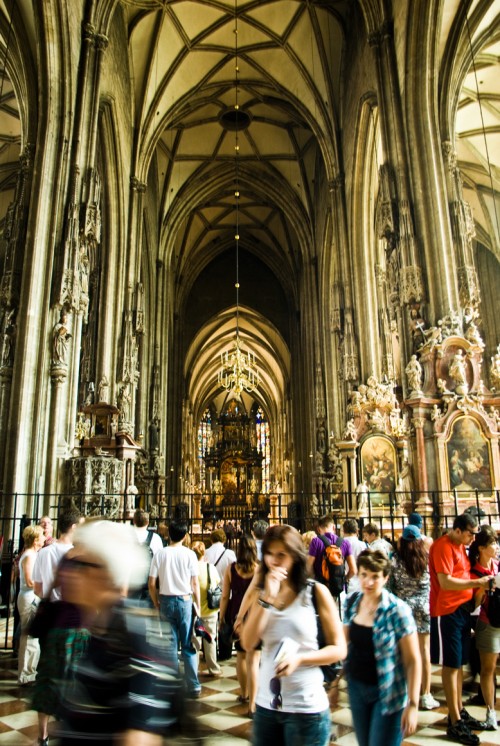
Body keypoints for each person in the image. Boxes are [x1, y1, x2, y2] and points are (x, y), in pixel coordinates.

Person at [52, 520, 186, 745]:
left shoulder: (135, 632)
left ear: (105, 573)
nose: (67, 573)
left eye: (80, 566)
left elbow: (141, 736)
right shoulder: (100, 627)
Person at [240, 524, 346, 746]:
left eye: (282, 555)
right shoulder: (263, 595)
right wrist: (266, 598)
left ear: (295, 557)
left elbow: (339, 649)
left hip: (306, 708)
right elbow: (248, 642)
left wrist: (300, 659)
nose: (274, 561)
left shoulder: (316, 592)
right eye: (269, 554)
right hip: (266, 707)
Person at [343, 549, 421, 746]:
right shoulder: (352, 604)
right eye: (364, 575)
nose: (368, 582)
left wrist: (412, 704)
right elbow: (346, 647)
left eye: (375, 577)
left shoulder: (397, 610)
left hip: (388, 692)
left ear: (386, 578)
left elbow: (412, 660)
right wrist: (335, 683)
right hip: (357, 688)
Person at [429, 513, 491, 745]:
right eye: (470, 533)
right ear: (457, 530)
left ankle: (459, 710)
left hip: (461, 611)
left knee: (458, 664)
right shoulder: (443, 547)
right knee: (451, 665)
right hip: (447, 612)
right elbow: (445, 583)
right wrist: (477, 583)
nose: (472, 538)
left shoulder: (459, 547)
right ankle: (454, 720)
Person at [31, 508, 86, 746]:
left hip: (51, 620)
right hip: (75, 621)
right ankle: (71, 729)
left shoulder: (45, 553)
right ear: (73, 528)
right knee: (75, 677)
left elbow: (39, 589)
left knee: (47, 675)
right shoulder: (81, 555)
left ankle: (43, 734)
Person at [148, 520, 202, 698]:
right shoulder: (190, 554)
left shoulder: (160, 554)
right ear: (186, 536)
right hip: (185, 601)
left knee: (170, 645)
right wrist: (198, 606)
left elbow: (151, 583)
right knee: (187, 644)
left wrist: (156, 602)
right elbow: (195, 583)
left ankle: (171, 684)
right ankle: (193, 685)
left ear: (168, 534)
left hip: (165, 601)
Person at [388, 525, 439, 710]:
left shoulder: (396, 561)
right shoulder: (427, 559)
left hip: (403, 610)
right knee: (425, 652)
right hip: (424, 609)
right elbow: (434, 583)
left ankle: (407, 691)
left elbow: (390, 587)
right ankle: (426, 694)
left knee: (404, 653)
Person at [219, 534, 260, 715]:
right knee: (254, 660)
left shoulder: (231, 569)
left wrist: (222, 617)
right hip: (254, 616)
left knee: (241, 657)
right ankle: (253, 703)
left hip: (236, 614)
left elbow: (225, 595)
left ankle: (243, 694)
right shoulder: (258, 570)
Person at [468, 526, 500, 731]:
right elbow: (474, 605)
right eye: (492, 544)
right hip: (488, 621)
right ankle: (490, 712)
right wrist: (484, 588)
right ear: (481, 548)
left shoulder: (497, 566)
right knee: (487, 670)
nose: (496, 547)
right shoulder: (474, 573)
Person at [16, 524, 44, 685]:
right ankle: (25, 674)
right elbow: (29, 581)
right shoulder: (29, 556)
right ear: (35, 540)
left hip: (32, 597)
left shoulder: (33, 554)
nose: (44, 538)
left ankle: (30, 672)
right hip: (28, 598)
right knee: (29, 637)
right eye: (41, 536)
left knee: (32, 637)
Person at [191, 540, 223, 678]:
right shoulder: (210, 568)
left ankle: (194, 669)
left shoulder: (190, 567)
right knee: (210, 640)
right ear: (204, 552)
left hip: (193, 610)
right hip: (210, 610)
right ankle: (213, 668)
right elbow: (216, 584)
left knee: (195, 642)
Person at [307, 514, 356, 595]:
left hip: (320, 588)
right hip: (339, 588)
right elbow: (353, 570)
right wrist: (343, 579)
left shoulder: (316, 541)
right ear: (334, 527)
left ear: (319, 529)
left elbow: (308, 565)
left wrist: (314, 579)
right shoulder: (345, 543)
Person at [342, 518, 367, 593]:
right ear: (357, 531)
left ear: (343, 531)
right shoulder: (363, 545)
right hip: (359, 583)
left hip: (344, 582)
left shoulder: (338, 544)